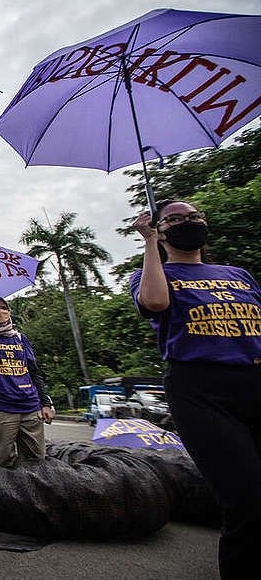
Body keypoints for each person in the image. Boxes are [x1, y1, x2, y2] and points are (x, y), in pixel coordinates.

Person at [130, 199, 261, 579]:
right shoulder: (152, 274)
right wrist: (149, 243)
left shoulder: (238, 274)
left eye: (193, 216)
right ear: (162, 229)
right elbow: (155, 302)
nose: (187, 222)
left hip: (253, 378)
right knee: (245, 496)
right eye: (174, 219)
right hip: (199, 390)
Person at [0, 297, 54, 467]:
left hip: (29, 406)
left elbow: (34, 373)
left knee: (37, 458)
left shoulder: (20, 339)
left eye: (4, 308)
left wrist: (45, 403)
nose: (0, 312)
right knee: (3, 460)